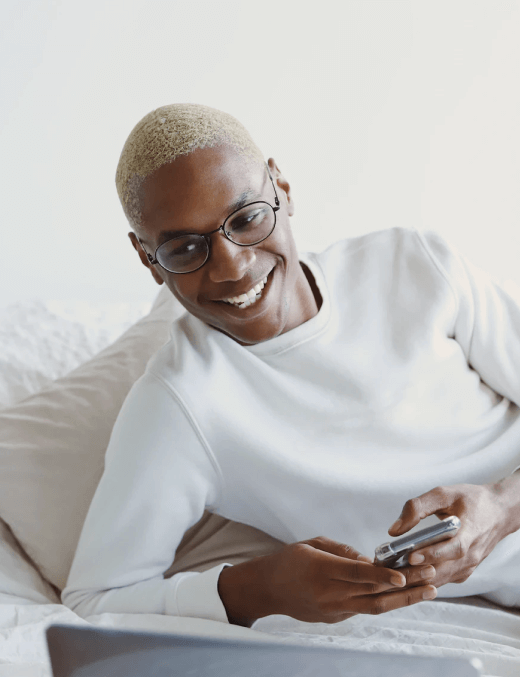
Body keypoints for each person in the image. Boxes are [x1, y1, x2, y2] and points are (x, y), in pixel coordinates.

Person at [61, 103, 520, 628]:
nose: (233, 266)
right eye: (186, 249)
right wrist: (259, 588)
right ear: (147, 259)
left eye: (247, 218)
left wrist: (503, 508)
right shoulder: (181, 403)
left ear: (281, 187)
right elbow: (94, 598)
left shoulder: (411, 264)